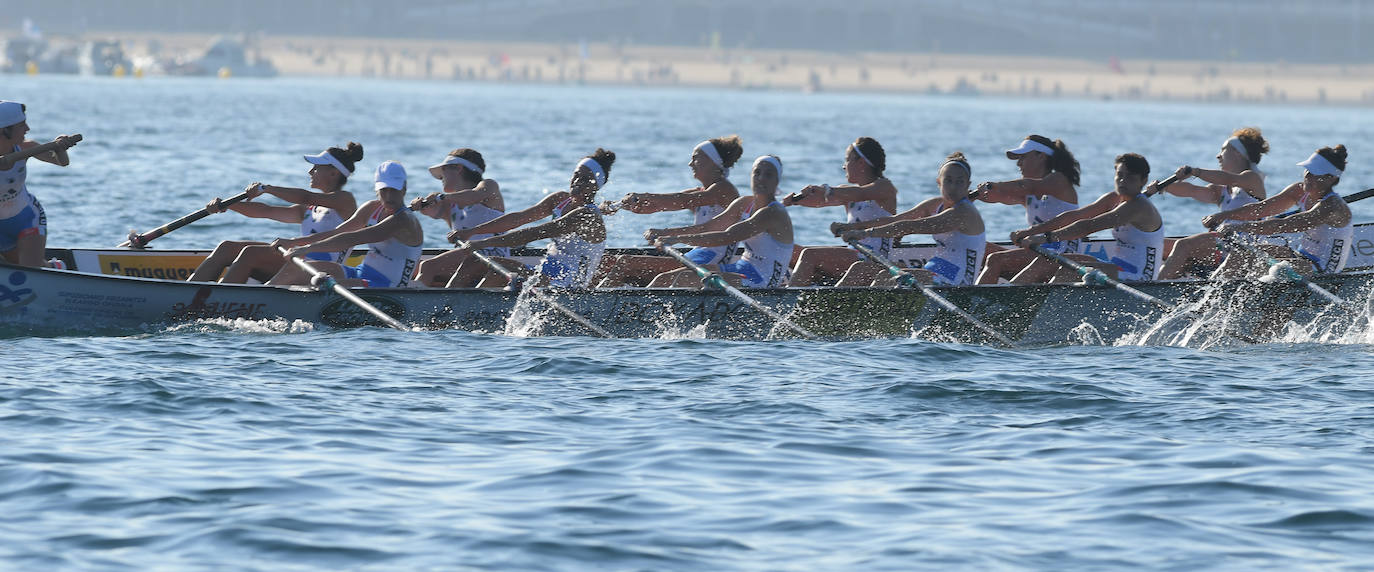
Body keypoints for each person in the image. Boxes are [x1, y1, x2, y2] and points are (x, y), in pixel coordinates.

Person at [187, 143, 362, 283]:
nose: (310, 171)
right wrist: (227, 205)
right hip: (298, 261)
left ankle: (218, 301)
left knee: (250, 253)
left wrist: (267, 189)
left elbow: (305, 196)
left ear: (333, 173)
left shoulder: (345, 201)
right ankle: (188, 292)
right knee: (227, 247)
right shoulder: (308, 209)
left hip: (320, 271)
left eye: (316, 167)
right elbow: (266, 211)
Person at [446, 149, 615, 288]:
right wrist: (470, 232)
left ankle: (468, 313)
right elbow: (518, 219)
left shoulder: (588, 215)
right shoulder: (560, 200)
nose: (577, 182)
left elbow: (534, 233)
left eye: (585, 180)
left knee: (499, 272)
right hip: (545, 270)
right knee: (474, 262)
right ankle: (448, 305)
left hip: (568, 284)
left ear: (596, 187)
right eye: (576, 175)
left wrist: (483, 243)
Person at [593, 135, 743, 287]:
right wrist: (618, 205)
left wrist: (663, 230)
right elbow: (657, 205)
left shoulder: (724, 190)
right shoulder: (701, 191)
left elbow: (681, 200)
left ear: (713, 162)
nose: (690, 164)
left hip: (710, 260)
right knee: (608, 261)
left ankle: (597, 302)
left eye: (696, 158)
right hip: (696, 255)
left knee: (626, 262)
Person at [834, 152, 985, 287]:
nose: (953, 187)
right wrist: (853, 228)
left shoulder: (963, 212)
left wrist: (864, 234)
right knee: (869, 271)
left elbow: (910, 227)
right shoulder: (934, 204)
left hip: (959, 283)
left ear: (968, 185)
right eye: (949, 181)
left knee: (886, 280)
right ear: (939, 182)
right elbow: (896, 220)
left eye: (960, 182)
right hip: (935, 271)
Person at [1010, 153, 1163, 283]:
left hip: (1139, 277)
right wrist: (1031, 231)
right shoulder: (1116, 197)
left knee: (1068, 272)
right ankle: (1009, 297)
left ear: (1143, 180)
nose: (1122, 181)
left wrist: (1044, 239)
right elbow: (1075, 216)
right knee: (1048, 261)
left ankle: (1041, 312)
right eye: (1120, 175)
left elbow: (1088, 226)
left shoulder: (1138, 207)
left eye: (1130, 177)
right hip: (1116, 266)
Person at [268, 160, 424, 287]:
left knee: (323, 286)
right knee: (296, 268)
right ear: (377, 189)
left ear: (403, 189)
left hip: (387, 286)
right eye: (384, 190)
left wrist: (307, 249)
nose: (389, 197)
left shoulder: (404, 220)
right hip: (360, 273)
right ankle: (261, 295)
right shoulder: (371, 208)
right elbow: (337, 233)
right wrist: (294, 243)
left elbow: (353, 239)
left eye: (394, 190)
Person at [647, 155, 793, 288]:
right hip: (741, 267)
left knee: (685, 278)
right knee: (665, 278)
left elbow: (727, 237)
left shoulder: (773, 213)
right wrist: (665, 233)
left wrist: (676, 240)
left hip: (763, 280)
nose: (761, 178)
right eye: (757, 173)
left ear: (777, 181)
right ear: (751, 176)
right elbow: (709, 227)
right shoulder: (744, 203)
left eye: (768, 175)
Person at [1208, 145, 1353, 277]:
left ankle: (1244, 301)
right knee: (1243, 253)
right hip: (1300, 256)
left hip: (1322, 270)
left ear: (1330, 179)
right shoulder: (1299, 190)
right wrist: (1222, 216)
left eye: (1315, 173)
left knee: (1273, 269)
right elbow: (1261, 209)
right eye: (1308, 170)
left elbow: (1284, 225)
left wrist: (1239, 227)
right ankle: (1210, 289)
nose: (1308, 175)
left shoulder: (1332, 207)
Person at [1156, 128, 1270, 279]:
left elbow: (1230, 178)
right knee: (1158, 245)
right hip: (1223, 245)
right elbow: (1191, 190)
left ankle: (1156, 288)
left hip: (1242, 250)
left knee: (1183, 246)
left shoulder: (1252, 179)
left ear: (1237, 153)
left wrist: (1195, 172)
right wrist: (1163, 186)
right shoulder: (1222, 190)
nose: (1218, 156)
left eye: (1223, 150)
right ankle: (1156, 283)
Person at [784, 137, 899, 286]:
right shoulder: (846, 192)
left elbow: (860, 194)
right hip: (854, 256)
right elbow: (819, 201)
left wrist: (825, 189)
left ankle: (791, 298)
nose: (844, 166)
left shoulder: (885, 187)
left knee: (809, 255)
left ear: (861, 163)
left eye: (847, 160)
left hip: (873, 260)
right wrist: (793, 201)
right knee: (788, 251)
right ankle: (807, 289)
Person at [973, 135, 1081, 284]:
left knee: (995, 259)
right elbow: (997, 196)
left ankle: (979, 301)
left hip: (1063, 255)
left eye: (1023, 157)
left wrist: (996, 185)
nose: (1019, 163)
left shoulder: (1059, 180)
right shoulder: (1028, 194)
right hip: (1038, 252)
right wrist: (971, 197)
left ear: (1041, 156)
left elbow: (1029, 186)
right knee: (980, 248)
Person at [409, 149, 505, 287]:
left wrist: (442, 197)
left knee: (428, 267)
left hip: (493, 256)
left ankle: (412, 302)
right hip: (469, 255)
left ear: (458, 168)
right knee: (415, 267)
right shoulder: (449, 205)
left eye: (442, 175)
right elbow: (429, 210)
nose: (440, 180)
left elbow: (474, 196)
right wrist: (419, 204)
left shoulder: (489, 186)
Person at [0, 100, 79, 268]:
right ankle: (53, 267)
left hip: (27, 218)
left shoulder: (27, 148)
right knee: (15, 265)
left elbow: (62, 162)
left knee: (31, 270)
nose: (28, 129)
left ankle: (53, 270)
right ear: (4, 130)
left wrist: (60, 148)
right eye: (22, 125)